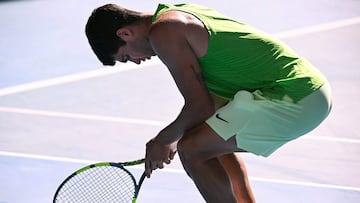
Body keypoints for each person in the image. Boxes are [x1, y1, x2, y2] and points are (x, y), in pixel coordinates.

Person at [85, 3, 332, 203]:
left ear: (125, 34)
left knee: (192, 149)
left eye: (126, 56)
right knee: (201, 135)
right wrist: (173, 135)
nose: (136, 61)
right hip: (307, 91)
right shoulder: (177, 13)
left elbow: (199, 106)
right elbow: (207, 108)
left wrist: (162, 140)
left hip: (294, 98)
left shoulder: (164, 32)